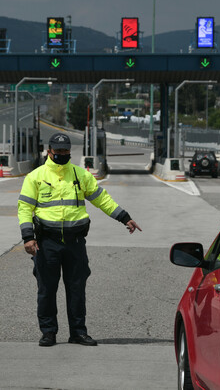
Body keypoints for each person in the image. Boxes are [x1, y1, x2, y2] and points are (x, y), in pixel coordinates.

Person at [18, 132, 141, 347]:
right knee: (46, 289)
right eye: (58, 152)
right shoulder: (35, 177)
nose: (63, 155)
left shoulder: (80, 175)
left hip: (75, 243)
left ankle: (78, 332)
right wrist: (28, 237)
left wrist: (124, 217)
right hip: (47, 242)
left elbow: (101, 199)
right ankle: (48, 332)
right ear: (49, 152)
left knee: (76, 289)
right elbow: (25, 208)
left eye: (66, 151)